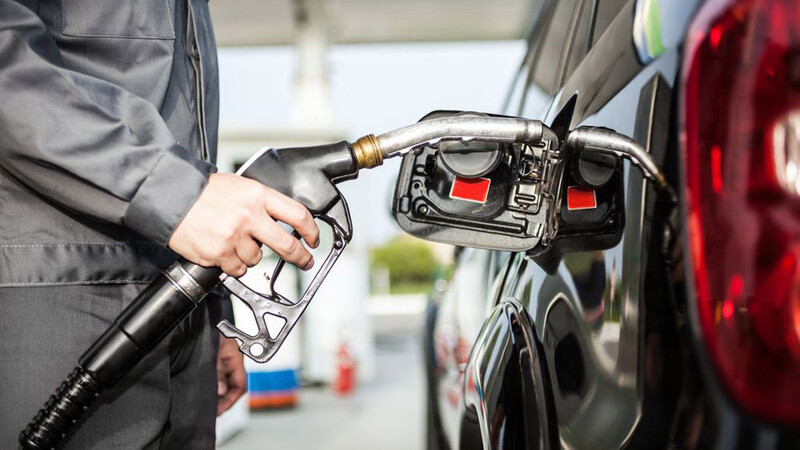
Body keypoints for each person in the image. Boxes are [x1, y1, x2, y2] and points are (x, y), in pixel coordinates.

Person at [0, 1, 319, 448]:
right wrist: (173, 193)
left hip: (183, 304)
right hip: (57, 293)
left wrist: (214, 313)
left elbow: (180, 124)